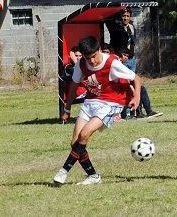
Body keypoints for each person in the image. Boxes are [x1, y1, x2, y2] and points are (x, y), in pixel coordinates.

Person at [53, 36, 141, 186]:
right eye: (88, 58)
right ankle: (93, 176)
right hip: (91, 102)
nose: (92, 61)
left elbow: (136, 78)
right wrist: (67, 109)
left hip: (111, 102)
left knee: (84, 134)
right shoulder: (81, 64)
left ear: (99, 49)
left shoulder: (111, 62)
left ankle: (64, 171)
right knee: (75, 142)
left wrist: (137, 97)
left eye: (94, 56)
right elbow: (74, 85)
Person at [119, 48, 162, 119]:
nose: (126, 57)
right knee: (133, 91)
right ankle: (128, 113)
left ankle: (147, 111)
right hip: (118, 86)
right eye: (124, 55)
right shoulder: (116, 63)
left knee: (141, 89)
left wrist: (132, 86)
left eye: (127, 56)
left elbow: (133, 77)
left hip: (127, 84)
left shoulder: (130, 62)